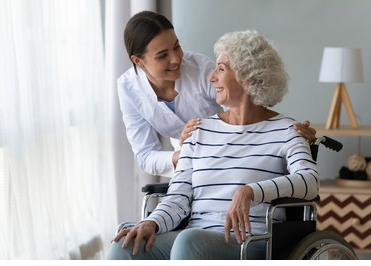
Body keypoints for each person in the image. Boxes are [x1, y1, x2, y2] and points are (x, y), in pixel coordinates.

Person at [107, 30, 319, 260]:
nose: (211, 78)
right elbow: (178, 196)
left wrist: (250, 191)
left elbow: (310, 180)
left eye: (220, 69)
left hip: (252, 241)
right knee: (126, 247)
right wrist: (151, 222)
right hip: (193, 238)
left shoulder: (287, 130)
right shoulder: (199, 131)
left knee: (189, 242)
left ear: (247, 76)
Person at [118, 10, 316, 178]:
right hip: (190, 168)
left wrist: (286, 132)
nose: (176, 59)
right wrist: (186, 153)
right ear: (139, 61)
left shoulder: (201, 69)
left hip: (235, 160)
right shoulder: (128, 89)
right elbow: (146, 156)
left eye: (177, 46)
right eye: (162, 55)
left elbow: (244, 113)